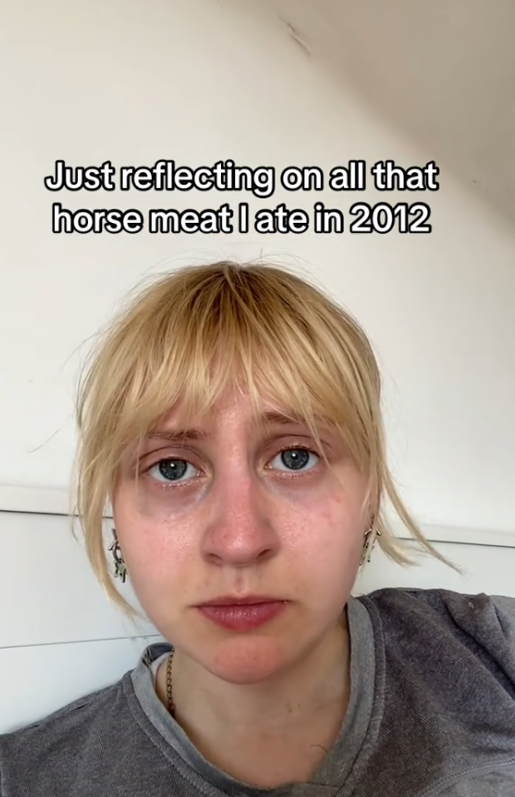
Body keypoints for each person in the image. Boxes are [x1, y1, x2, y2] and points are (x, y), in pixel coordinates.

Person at [1, 260, 514, 797]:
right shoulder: (24, 780)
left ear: (370, 496)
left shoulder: (495, 648)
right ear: (116, 512)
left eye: (296, 457)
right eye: (171, 468)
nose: (239, 542)